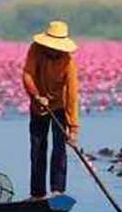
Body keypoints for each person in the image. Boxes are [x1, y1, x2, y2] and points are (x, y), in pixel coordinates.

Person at [22, 20, 80, 200]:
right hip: (38, 105)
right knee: (38, 148)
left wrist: (73, 129)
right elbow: (27, 74)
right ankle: (37, 193)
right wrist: (36, 95)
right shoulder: (35, 50)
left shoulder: (68, 62)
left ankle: (57, 190)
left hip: (59, 106)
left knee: (59, 148)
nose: (54, 50)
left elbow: (72, 95)